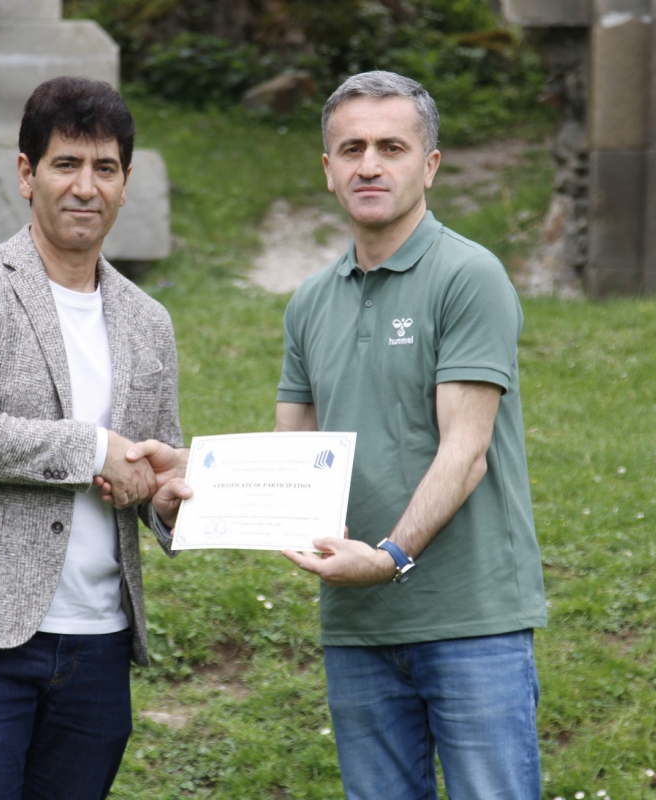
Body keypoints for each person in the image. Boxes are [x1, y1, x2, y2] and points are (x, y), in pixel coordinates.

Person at [0, 76, 190, 800]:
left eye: (105, 168)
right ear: (27, 174)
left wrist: (167, 502)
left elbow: (151, 466)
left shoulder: (148, 321)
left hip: (98, 642)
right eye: (66, 164)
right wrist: (93, 449)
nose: (86, 187)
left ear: (125, 183)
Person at [276, 71, 548, 799]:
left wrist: (390, 557)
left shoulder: (468, 275)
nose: (369, 165)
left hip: (471, 622)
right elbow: (287, 460)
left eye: (391, 147)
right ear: (327, 169)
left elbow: (466, 451)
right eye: (352, 149)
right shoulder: (309, 303)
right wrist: (187, 477)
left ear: (428, 165)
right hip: (358, 627)